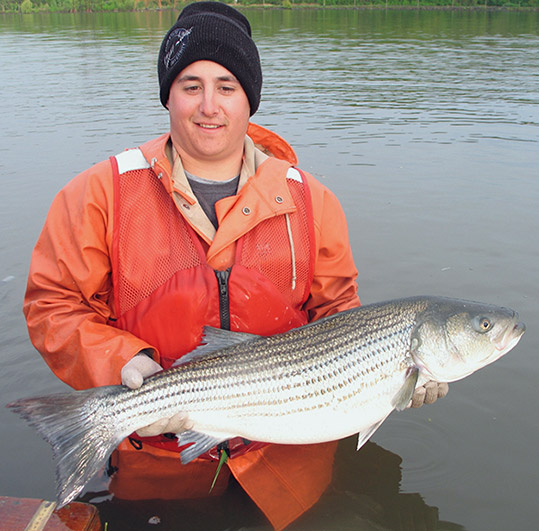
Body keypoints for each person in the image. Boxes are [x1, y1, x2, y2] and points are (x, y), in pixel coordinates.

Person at [23, 2, 448, 530]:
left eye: (227, 86)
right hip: (158, 458)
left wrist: (389, 379)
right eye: (190, 85)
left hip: (289, 464)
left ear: (250, 98)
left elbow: (341, 314)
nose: (209, 106)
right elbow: (52, 306)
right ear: (167, 96)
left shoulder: (313, 201)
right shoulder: (98, 193)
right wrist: (124, 364)